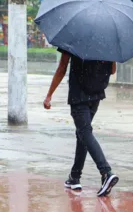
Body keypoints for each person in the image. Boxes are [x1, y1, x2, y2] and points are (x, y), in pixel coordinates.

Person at [43, 49, 118, 197]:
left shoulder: (73, 39)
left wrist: (49, 95)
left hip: (79, 96)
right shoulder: (105, 41)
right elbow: (112, 71)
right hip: (96, 95)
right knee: (82, 134)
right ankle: (74, 177)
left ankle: (106, 172)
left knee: (84, 132)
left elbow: (62, 67)